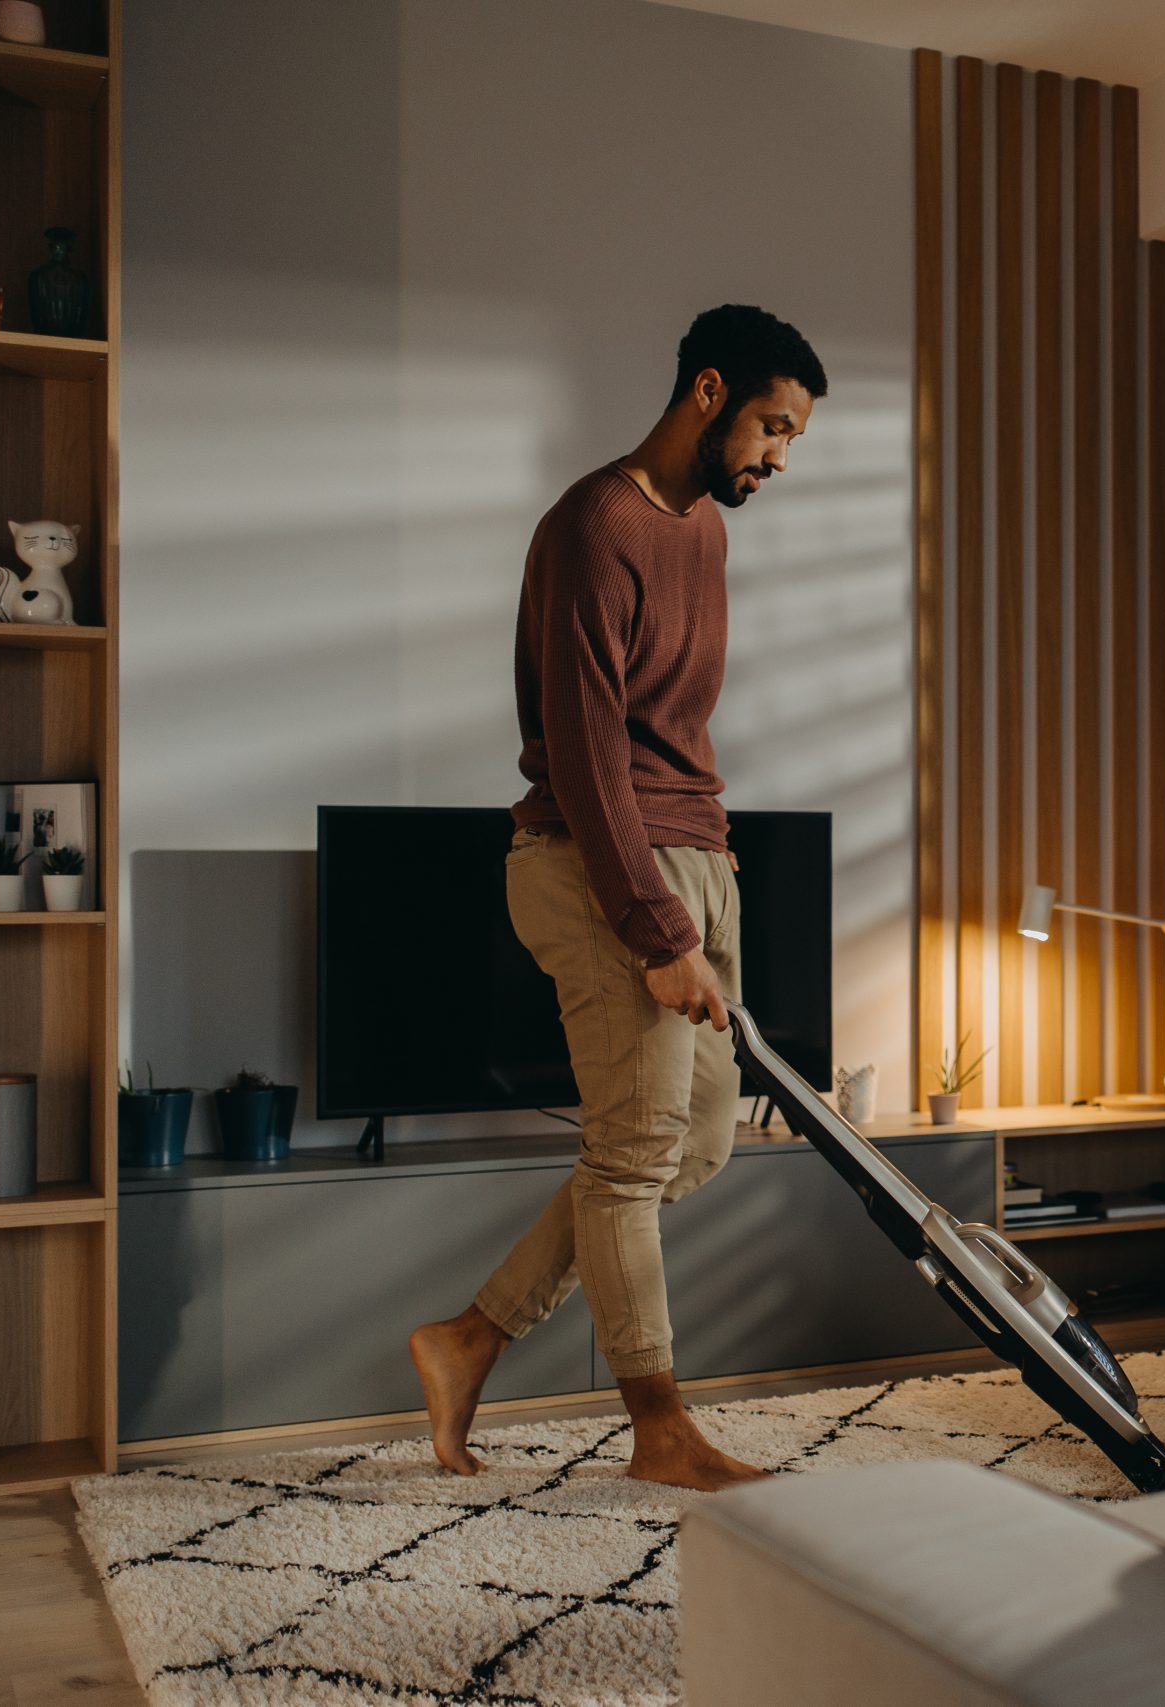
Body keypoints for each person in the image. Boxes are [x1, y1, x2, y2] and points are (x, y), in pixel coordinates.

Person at [408, 304, 824, 1491]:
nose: (778, 458)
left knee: (690, 1145)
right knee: (636, 1154)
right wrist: (656, 926)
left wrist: (713, 876)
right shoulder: (594, 526)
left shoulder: (705, 534)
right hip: (600, 864)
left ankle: (470, 1337)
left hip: (696, 856)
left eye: (790, 438)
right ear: (707, 391)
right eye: (771, 428)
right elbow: (591, 758)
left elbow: (674, 730)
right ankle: (659, 1429)